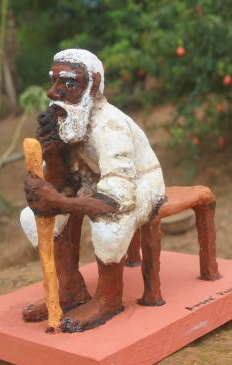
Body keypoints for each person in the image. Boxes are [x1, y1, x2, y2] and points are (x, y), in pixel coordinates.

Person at [20, 49, 165, 332]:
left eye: (69, 84)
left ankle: (109, 297)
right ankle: (71, 288)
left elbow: (117, 200)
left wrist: (58, 200)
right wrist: (51, 158)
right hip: (94, 183)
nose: (53, 93)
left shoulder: (110, 127)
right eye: (54, 82)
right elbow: (62, 182)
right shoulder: (70, 119)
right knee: (32, 217)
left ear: (94, 84)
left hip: (139, 185)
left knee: (108, 226)